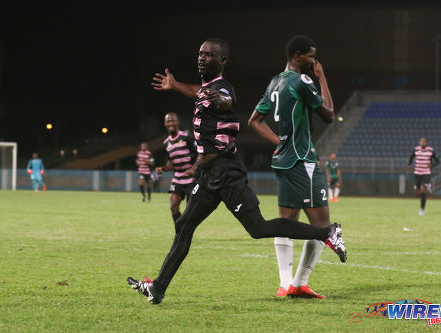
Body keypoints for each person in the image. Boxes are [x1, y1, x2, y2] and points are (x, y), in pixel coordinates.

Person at [127, 37, 346, 305]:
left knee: (258, 228)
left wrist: (216, 98)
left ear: (222, 61)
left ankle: (326, 233)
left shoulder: (222, 88)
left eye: (208, 55)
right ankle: (158, 288)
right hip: (209, 176)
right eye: (200, 54)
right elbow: (199, 90)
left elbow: (224, 100)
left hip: (227, 173)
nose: (201, 58)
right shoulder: (206, 87)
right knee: (184, 226)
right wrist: (175, 85)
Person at [248, 35, 338, 298]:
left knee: (286, 222)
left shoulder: (276, 81)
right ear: (298, 56)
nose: (314, 61)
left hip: (283, 161)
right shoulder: (302, 81)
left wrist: (279, 142)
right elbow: (329, 115)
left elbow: (254, 120)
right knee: (322, 226)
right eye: (311, 56)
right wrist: (321, 77)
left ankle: (285, 283)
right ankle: (299, 282)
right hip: (302, 160)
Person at [155, 112, 197, 223]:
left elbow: (200, 155)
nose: (171, 123)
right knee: (173, 206)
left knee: (190, 211)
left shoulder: (186, 137)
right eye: (168, 121)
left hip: (191, 179)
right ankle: (179, 231)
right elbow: (171, 164)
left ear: (178, 122)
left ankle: (185, 231)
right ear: (165, 124)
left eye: (173, 120)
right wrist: (162, 169)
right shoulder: (166, 143)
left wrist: (193, 169)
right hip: (178, 179)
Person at [408, 137, 439, 216]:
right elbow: (411, 157)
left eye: (424, 142)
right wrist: (409, 164)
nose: (422, 143)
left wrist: (431, 165)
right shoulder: (416, 149)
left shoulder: (430, 151)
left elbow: (438, 161)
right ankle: (426, 186)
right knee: (417, 192)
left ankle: (422, 209)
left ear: (427, 143)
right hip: (417, 173)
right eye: (421, 141)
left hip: (426, 173)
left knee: (423, 191)